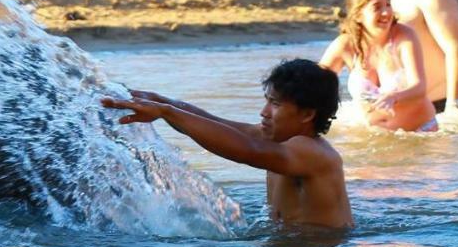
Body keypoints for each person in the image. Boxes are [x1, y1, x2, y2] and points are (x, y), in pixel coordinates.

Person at [101, 59, 352, 229]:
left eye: (275, 104)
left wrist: (166, 112)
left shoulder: (312, 152)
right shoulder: (278, 141)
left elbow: (246, 151)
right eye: (267, 101)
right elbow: (216, 124)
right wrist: (159, 101)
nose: (264, 112)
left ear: (307, 114)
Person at [320, 0, 438, 133]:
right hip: (374, 137)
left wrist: (394, 97)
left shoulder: (404, 36)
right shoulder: (345, 45)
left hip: (419, 133)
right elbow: (315, 85)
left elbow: (420, 88)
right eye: (377, 7)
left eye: (388, 4)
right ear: (358, 15)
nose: (386, 12)